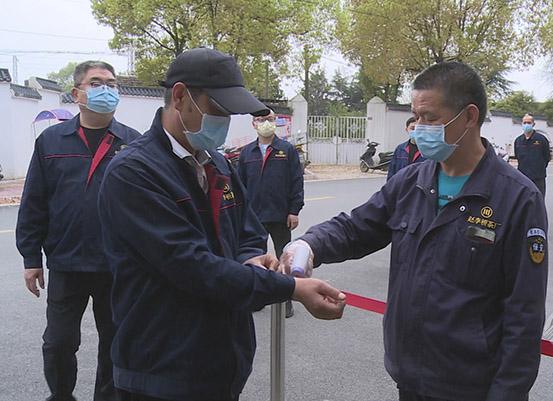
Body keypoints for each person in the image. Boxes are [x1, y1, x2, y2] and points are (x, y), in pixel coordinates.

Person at [280, 61, 548, 401]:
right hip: (410, 376)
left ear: (469, 116)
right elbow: (357, 227)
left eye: (430, 118)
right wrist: (309, 244)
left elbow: (524, 313)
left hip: (471, 385)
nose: (419, 128)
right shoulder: (411, 182)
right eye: (416, 117)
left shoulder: (518, 198)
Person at [97, 48, 345, 401]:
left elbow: (248, 230)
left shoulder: (217, 163)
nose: (225, 122)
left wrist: (251, 257)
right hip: (161, 366)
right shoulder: (134, 173)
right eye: (218, 110)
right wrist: (290, 288)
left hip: (222, 358)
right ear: (180, 97)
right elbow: (192, 266)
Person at [16, 61, 141, 401]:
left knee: (115, 343)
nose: (107, 90)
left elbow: (146, 208)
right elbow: (34, 201)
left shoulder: (133, 143)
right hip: (67, 262)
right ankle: (61, 395)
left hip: (117, 266)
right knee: (58, 342)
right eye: (97, 83)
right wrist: (31, 258)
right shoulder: (52, 141)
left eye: (112, 84)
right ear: (77, 93)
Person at [238, 110, 304, 318]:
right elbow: (239, 186)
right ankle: (258, 298)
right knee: (256, 259)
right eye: (261, 119)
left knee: (284, 258)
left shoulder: (286, 150)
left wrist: (294, 210)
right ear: (253, 123)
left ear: (276, 122)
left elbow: (296, 181)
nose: (265, 123)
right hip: (254, 216)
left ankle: (286, 300)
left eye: (269, 119)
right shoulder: (246, 153)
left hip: (280, 215)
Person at [513, 114, 551, 197]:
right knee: (524, 200)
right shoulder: (518, 141)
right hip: (523, 177)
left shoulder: (541, 139)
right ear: (522, 124)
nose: (526, 125)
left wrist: (540, 168)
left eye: (529, 123)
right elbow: (518, 157)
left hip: (538, 177)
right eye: (524, 123)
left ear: (533, 124)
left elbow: (547, 157)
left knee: (539, 199)